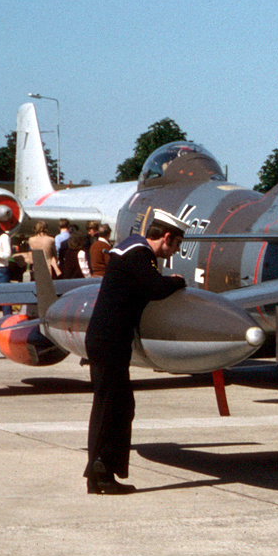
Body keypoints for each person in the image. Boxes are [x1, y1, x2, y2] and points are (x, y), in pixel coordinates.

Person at [83, 211, 188, 494]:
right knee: (113, 407)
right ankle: (101, 474)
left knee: (116, 405)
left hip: (107, 339)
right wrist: (179, 281)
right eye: (177, 243)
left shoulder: (128, 248)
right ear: (166, 237)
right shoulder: (139, 254)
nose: (176, 250)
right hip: (110, 340)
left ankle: (100, 474)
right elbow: (155, 288)